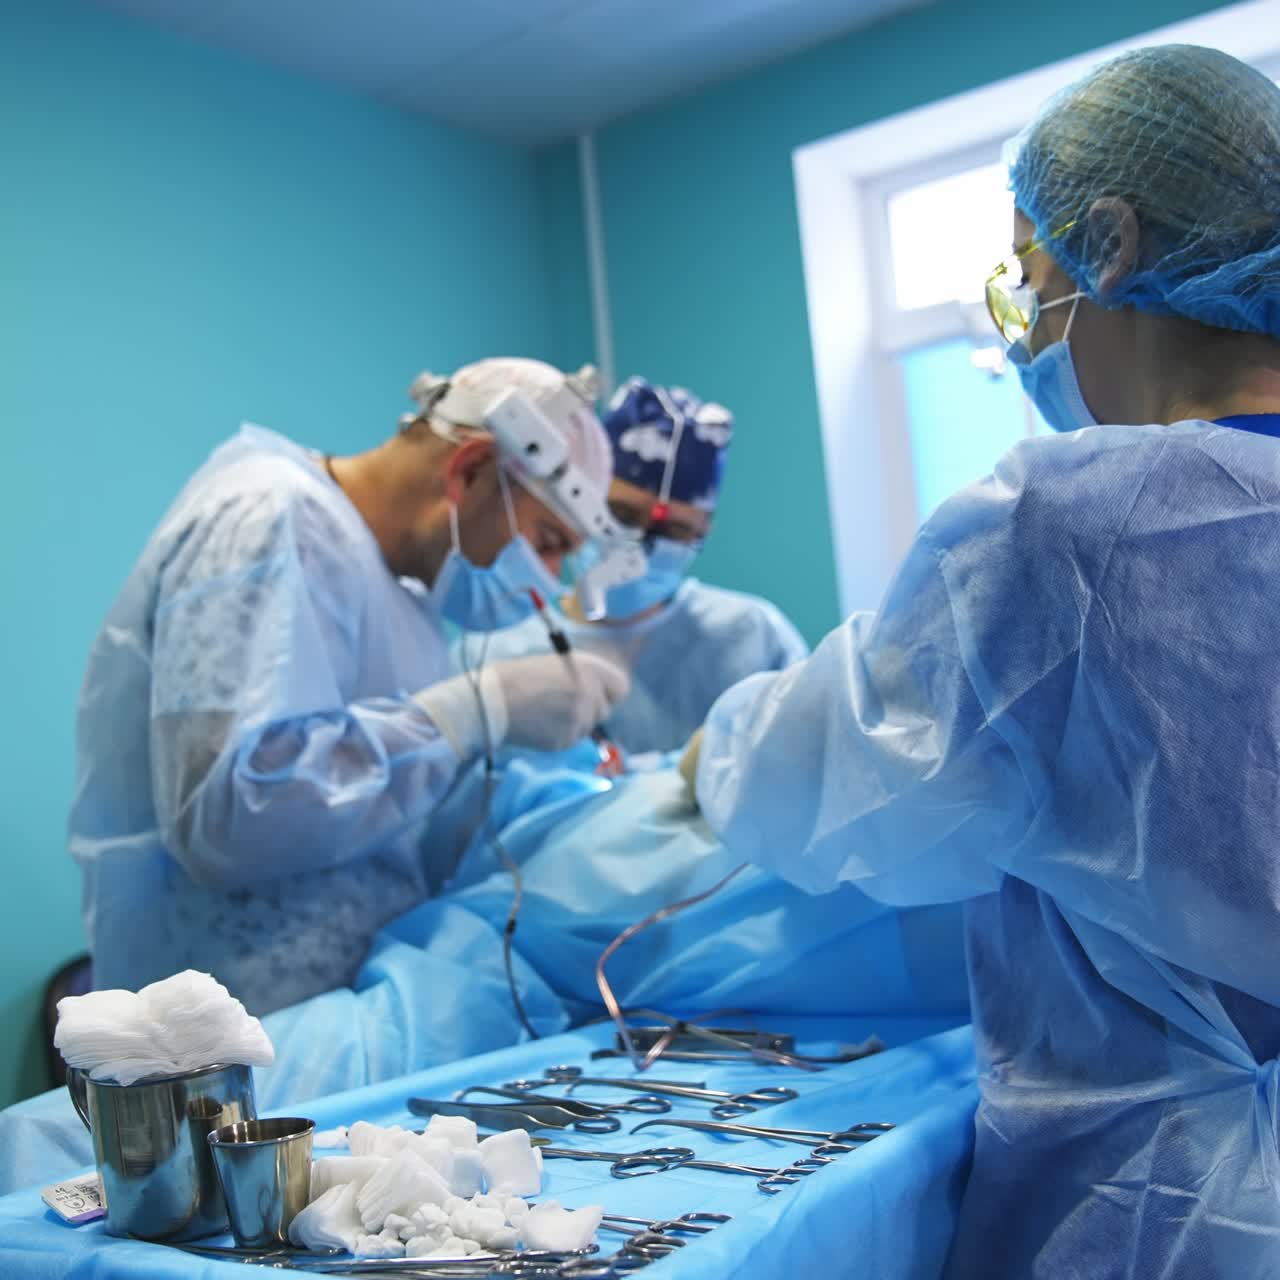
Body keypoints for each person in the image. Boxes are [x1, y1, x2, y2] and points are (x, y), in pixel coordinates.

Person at [684, 44, 1280, 1280]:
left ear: (1108, 244)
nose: (1020, 326)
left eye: (1027, 272)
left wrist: (712, 749)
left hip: (1170, 1217)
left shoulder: (1085, 522)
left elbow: (832, 787)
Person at [70, 357, 628, 1016]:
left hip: (334, 1014)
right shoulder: (272, 512)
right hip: (224, 1037)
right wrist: (476, 709)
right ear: (470, 469)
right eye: (549, 540)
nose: (551, 580)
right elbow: (226, 817)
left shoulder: (408, 595)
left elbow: (375, 812)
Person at [461, 377, 808, 755]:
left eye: (674, 529)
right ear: (580, 498)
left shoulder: (753, 639)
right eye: (621, 514)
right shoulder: (496, 649)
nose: (640, 544)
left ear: (704, 530)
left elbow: (800, 773)